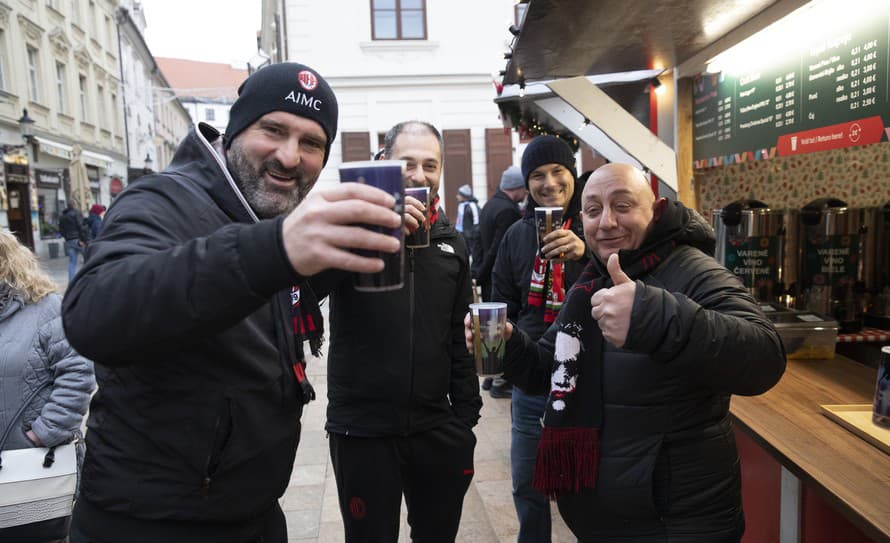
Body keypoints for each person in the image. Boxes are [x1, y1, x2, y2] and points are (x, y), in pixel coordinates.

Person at [60, 62, 403, 543]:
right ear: (234, 130)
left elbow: (262, 301)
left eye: (311, 143)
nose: (289, 156)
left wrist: (330, 253)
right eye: (274, 130)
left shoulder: (252, 212)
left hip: (251, 515)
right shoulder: (162, 199)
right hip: (151, 527)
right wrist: (278, 248)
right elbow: (94, 311)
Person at [465, 163, 786, 542]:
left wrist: (652, 315)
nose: (607, 223)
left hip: (676, 524)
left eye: (623, 205)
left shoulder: (691, 268)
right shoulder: (591, 283)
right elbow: (547, 370)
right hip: (607, 523)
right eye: (594, 210)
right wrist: (510, 344)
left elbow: (765, 356)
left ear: (656, 210)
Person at [310, 120, 482, 543]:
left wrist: (464, 420)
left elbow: (460, 336)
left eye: (430, 164)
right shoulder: (349, 230)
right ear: (385, 163)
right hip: (362, 430)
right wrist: (368, 229)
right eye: (408, 162)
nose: (419, 175)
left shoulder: (451, 242)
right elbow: (304, 293)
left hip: (434, 428)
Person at [491, 136, 590, 541]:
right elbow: (501, 301)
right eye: (537, 175)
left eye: (557, 172)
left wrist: (585, 253)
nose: (548, 183)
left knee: (586, 485)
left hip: (587, 378)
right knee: (525, 482)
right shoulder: (516, 235)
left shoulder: (595, 227)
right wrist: (504, 350)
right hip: (533, 380)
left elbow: (626, 287)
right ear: (527, 183)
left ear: (572, 175)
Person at [0, 229, 95, 543]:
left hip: (30, 462)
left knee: (36, 534)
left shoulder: (44, 308)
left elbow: (78, 371)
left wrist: (44, 432)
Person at [473, 166, 527, 303]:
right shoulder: (509, 211)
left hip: (487, 279)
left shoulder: (489, 205)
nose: (526, 192)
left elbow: (478, 242)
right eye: (524, 188)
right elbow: (497, 249)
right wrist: (482, 275)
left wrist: (478, 273)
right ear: (517, 188)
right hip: (499, 281)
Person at [58, 202, 88, 281]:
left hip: (69, 241)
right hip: (78, 240)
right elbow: (81, 227)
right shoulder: (76, 213)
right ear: (74, 206)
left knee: (72, 262)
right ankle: (86, 279)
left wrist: (67, 238)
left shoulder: (62, 216)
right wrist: (83, 240)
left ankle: (71, 282)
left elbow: (61, 230)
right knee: (88, 259)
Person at [455, 183, 481, 265]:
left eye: (459, 194)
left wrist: (474, 233)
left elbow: (477, 220)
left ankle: (475, 270)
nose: (457, 196)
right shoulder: (462, 205)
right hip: (463, 235)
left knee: (475, 254)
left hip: (472, 235)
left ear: (464, 195)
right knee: (464, 253)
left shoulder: (472, 206)